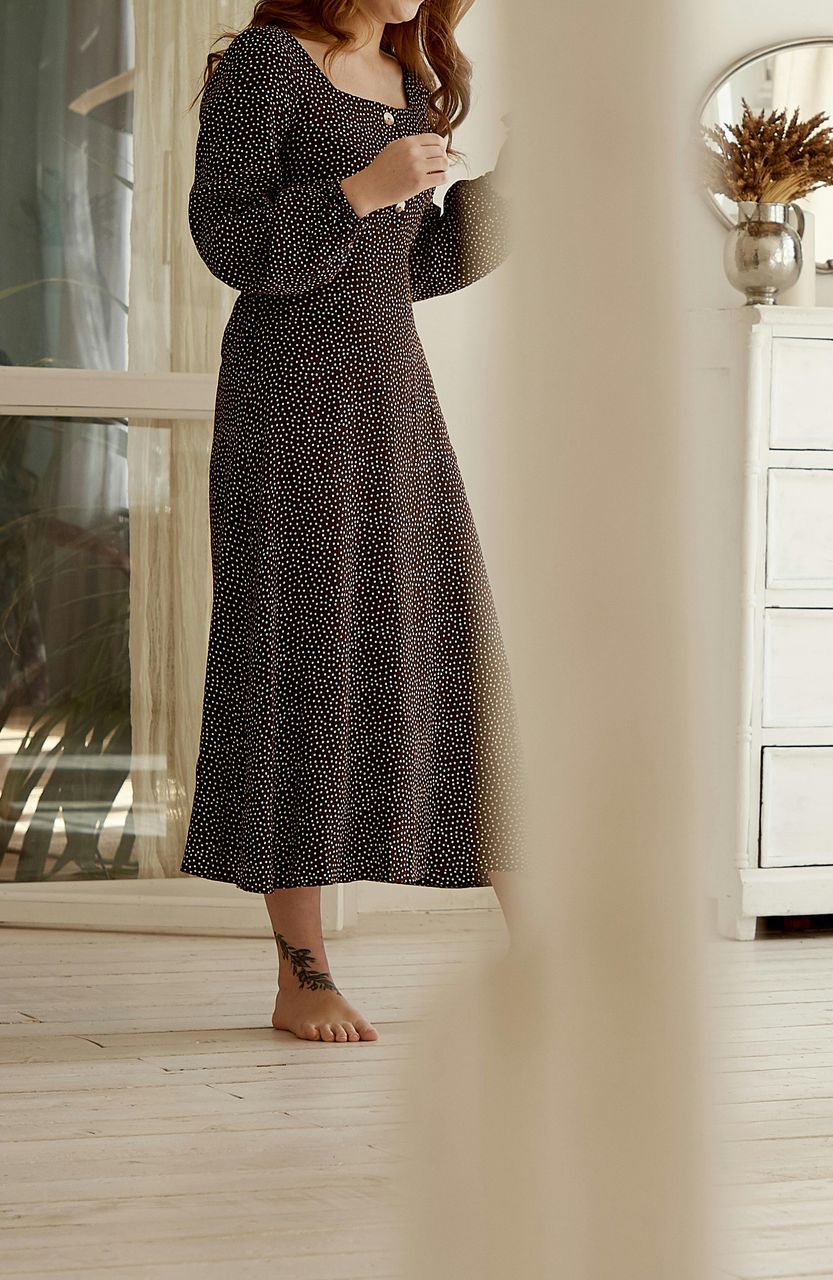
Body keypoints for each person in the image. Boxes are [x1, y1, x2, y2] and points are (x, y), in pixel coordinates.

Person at [184, 0, 520, 1044]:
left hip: (391, 398)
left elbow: (413, 267)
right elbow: (232, 242)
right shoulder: (265, 68)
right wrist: (359, 190)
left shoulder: (409, 72)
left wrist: (509, 191)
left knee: (451, 650)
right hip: (288, 401)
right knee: (300, 659)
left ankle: (548, 949)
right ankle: (303, 969)